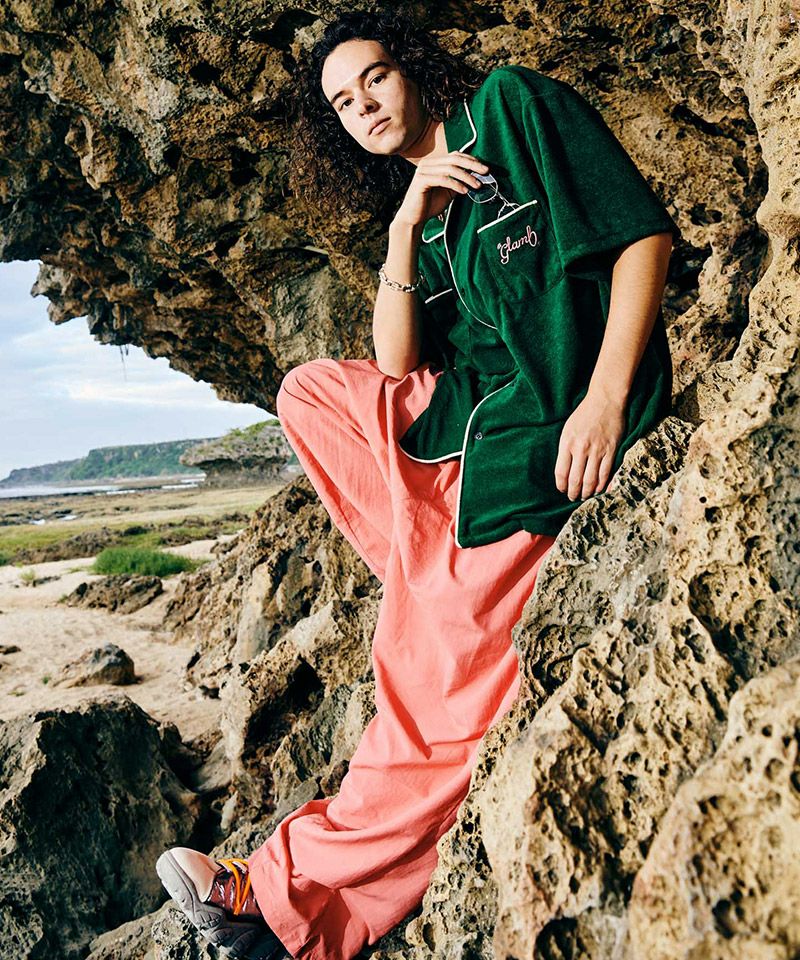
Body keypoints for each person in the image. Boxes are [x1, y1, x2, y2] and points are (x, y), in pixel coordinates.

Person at [155, 10, 680, 960]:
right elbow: (395, 366)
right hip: (472, 429)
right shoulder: (424, 214)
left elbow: (642, 237)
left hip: (554, 424)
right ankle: (419, 558)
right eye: (341, 104)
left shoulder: (513, 109)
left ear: (415, 69)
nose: (363, 107)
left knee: (429, 685)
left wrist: (605, 402)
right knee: (308, 392)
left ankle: (272, 888)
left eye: (375, 79)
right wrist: (406, 224)